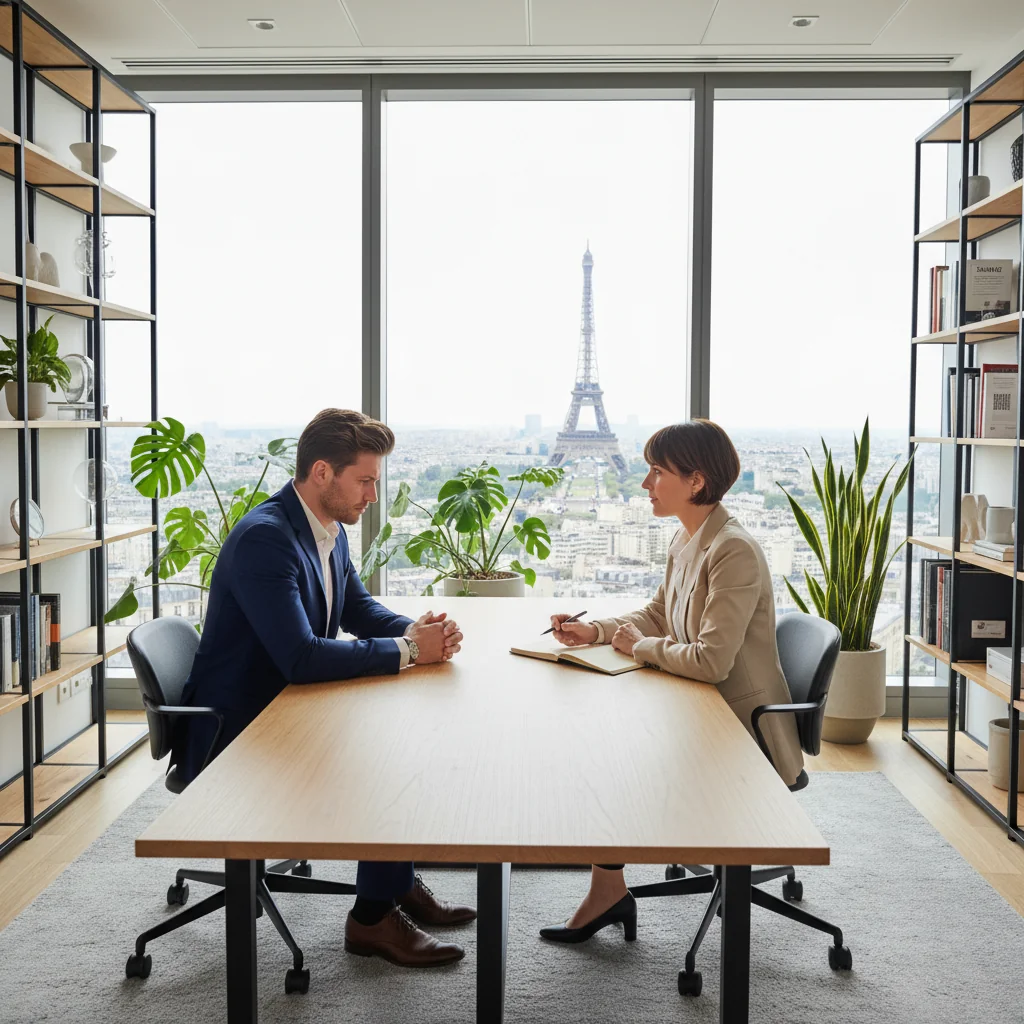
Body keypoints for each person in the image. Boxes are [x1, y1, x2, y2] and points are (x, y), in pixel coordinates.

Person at [172, 408, 475, 968]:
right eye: (364, 481)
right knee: (387, 763)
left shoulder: (324, 527)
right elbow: (301, 657)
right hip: (240, 734)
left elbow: (355, 608)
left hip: (288, 709)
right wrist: (411, 653)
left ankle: (395, 882)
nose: (372, 496)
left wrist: (415, 631)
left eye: (375, 483)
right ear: (321, 473)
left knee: (406, 740)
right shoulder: (268, 539)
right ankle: (371, 922)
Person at [538, 418, 803, 944]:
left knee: (608, 763)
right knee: (599, 748)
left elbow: (711, 662)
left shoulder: (734, 551)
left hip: (739, 732)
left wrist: (635, 647)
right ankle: (608, 887)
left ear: (696, 481)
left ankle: (607, 890)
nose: (645, 484)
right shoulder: (690, 538)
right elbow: (659, 614)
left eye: (657, 472)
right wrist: (597, 629)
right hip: (697, 710)